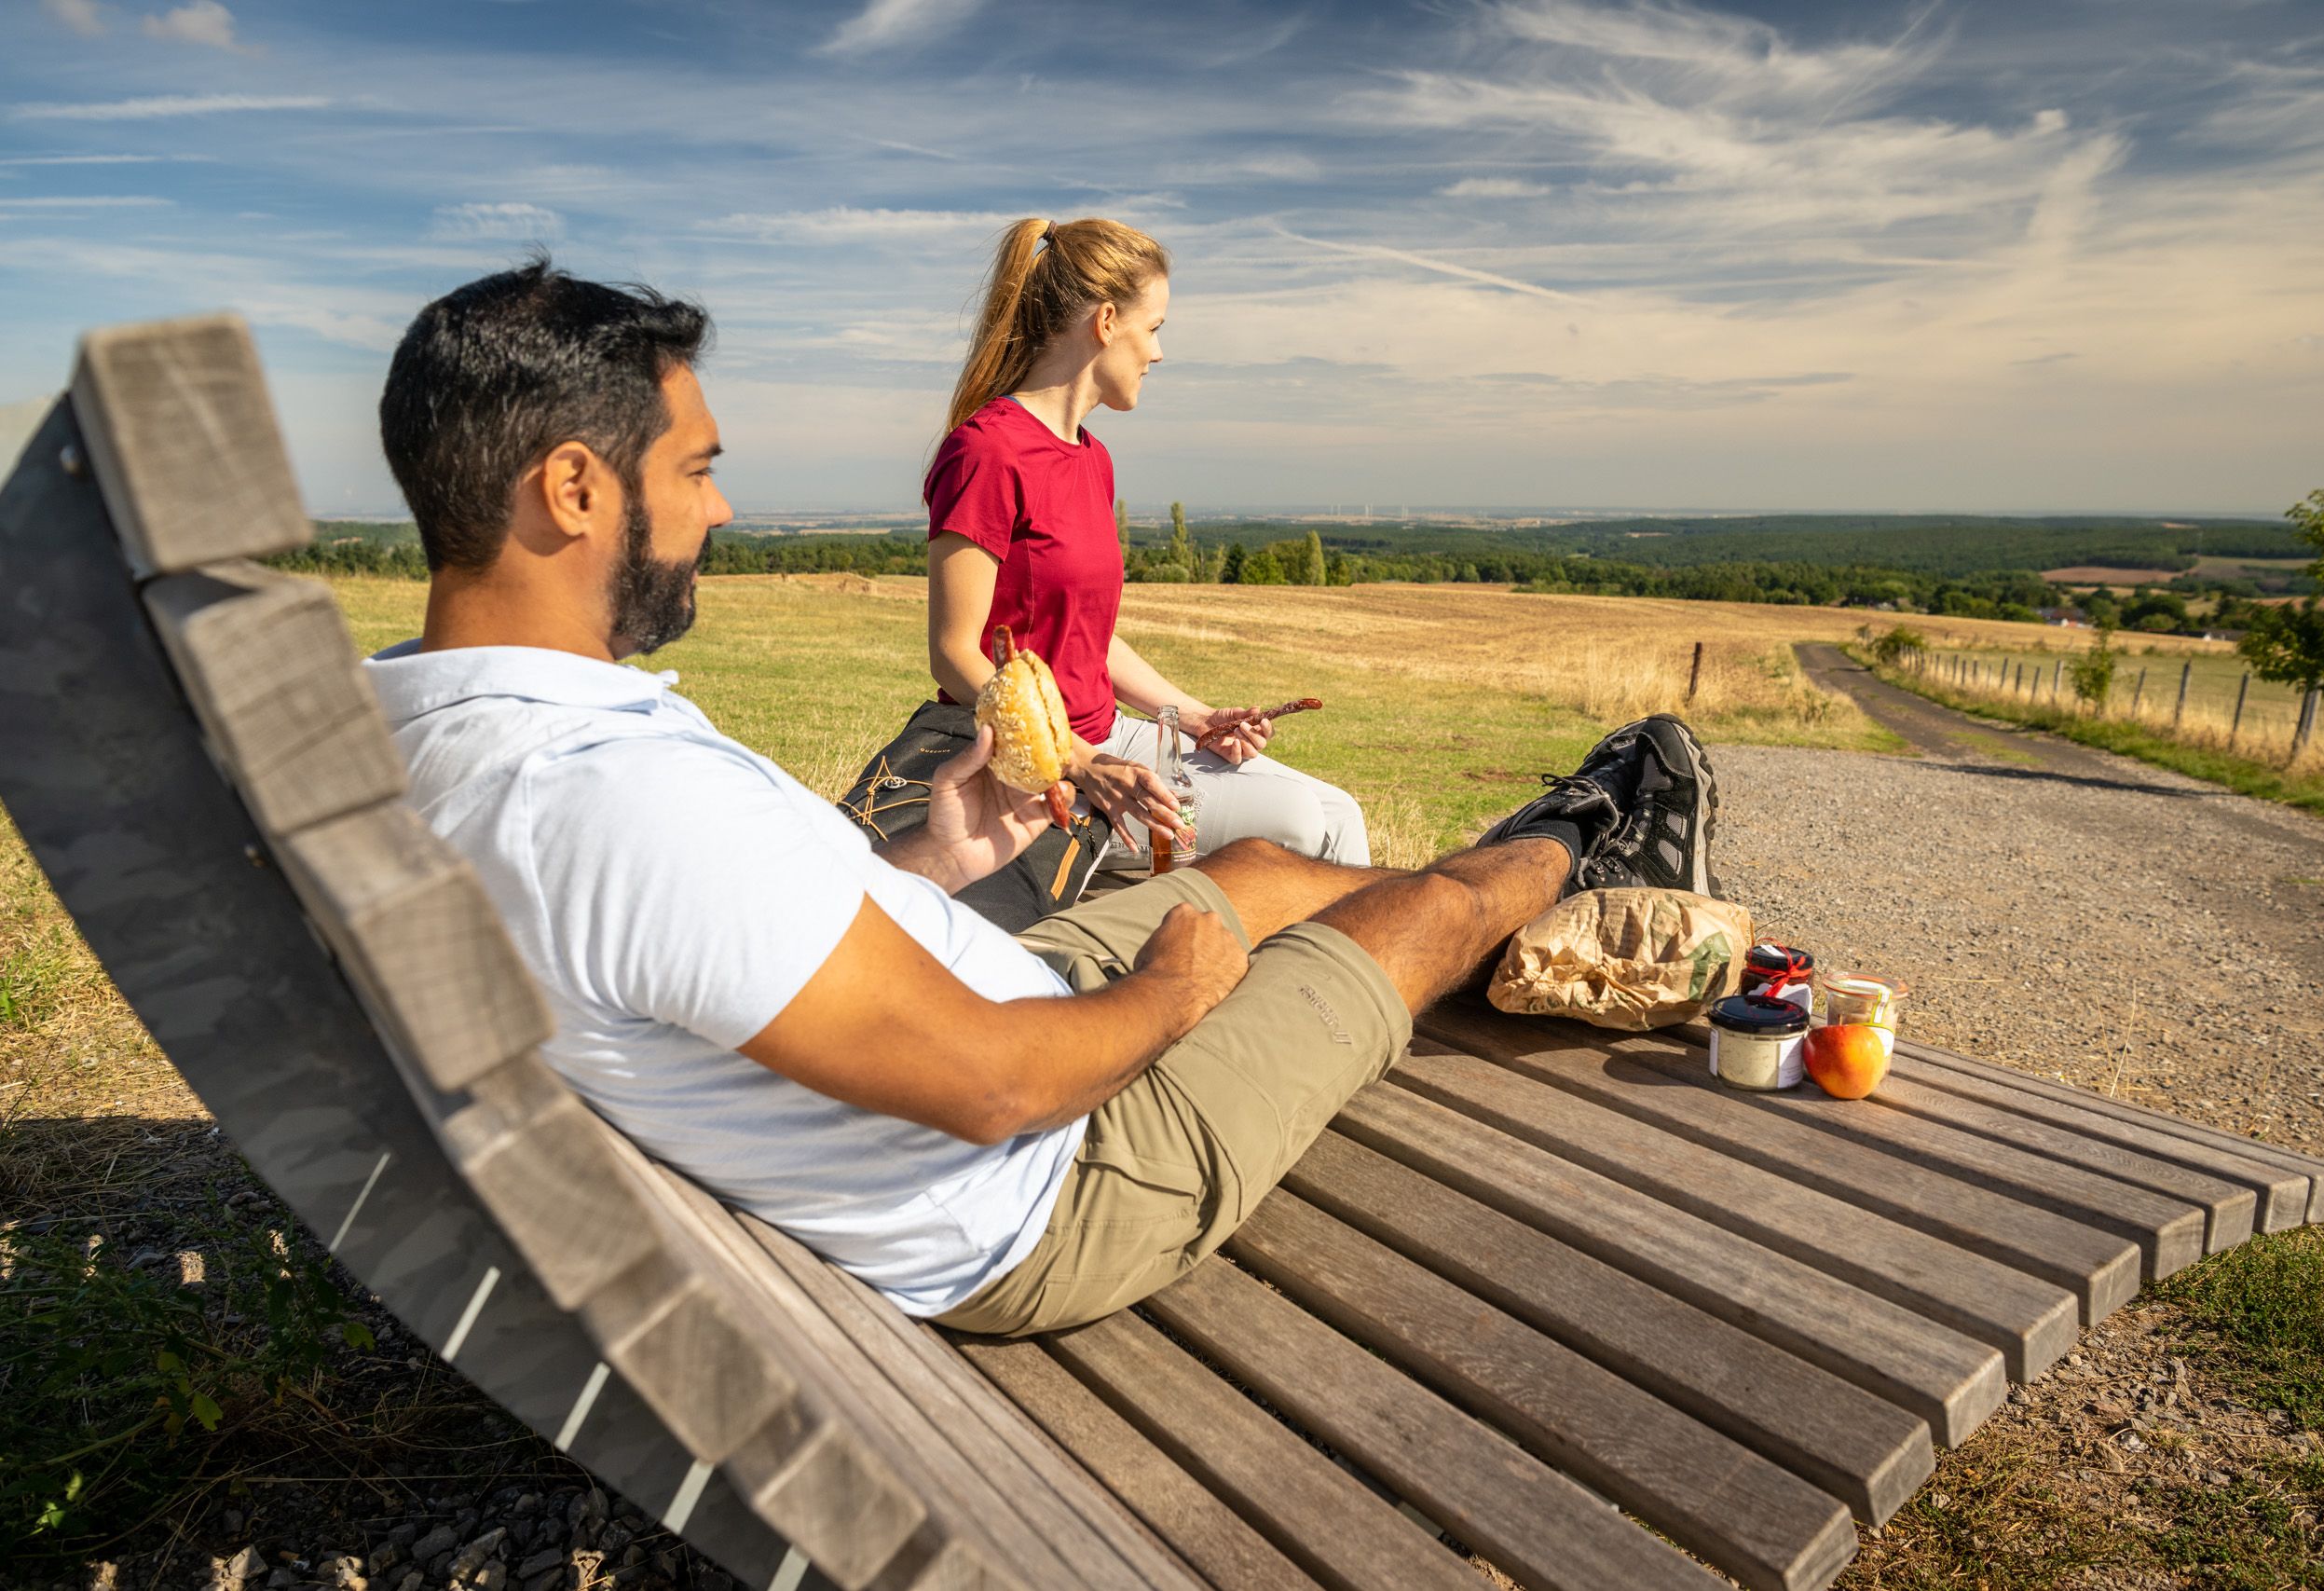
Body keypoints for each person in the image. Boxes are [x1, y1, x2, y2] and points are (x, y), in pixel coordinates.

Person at [364, 263, 1718, 1337]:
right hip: (1055, 1179)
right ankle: (1586, 837)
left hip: (953, 989)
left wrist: (932, 863)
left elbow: (709, 945)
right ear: (575, 487)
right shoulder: (599, 798)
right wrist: (1179, 991)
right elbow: (998, 1087)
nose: (719, 510)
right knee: (1415, 903)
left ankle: (1524, 908)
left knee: (1257, 873)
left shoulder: (439, 720)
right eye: (697, 467)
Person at [923, 216, 1371, 868]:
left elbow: (1088, 639)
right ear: (1106, 322)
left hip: (1114, 740)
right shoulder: (985, 452)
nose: (1158, 353)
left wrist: (1195, 717)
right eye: (1154, 329)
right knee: (1302, 825)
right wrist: (1080, 763)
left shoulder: (1092, 458)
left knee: (1340, 813)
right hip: (1040, 771)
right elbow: (952, 654)